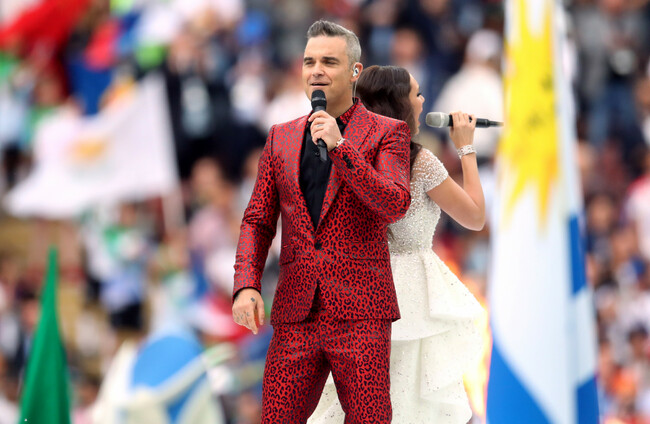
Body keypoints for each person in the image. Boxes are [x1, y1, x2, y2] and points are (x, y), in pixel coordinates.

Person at [231, 22, 412, 423]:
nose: (316, 71)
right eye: (309, 61)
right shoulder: (279, 137)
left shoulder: (388, 133)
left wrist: (341, 148)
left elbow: (394, 204)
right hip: (297, 312)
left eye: (329, 62)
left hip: (361, 311)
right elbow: (257, 220)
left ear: (355, 71)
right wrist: (246, 284)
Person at [309, 65, 486, 423]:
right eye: (416, 94)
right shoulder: (417, 162)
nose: (422, 101)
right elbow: (475, 217)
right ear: (399, 104)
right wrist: (466, 149)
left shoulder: (341, 159)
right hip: (411, 298)